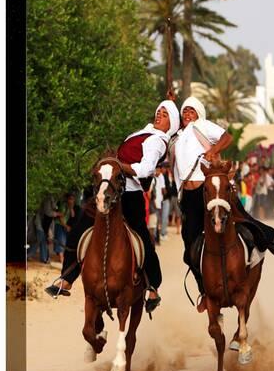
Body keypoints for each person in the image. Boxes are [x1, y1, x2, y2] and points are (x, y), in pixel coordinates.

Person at [46, 99, 180, 314]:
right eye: (159, 111)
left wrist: (118, 166)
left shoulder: (158, 142)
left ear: (171, 123)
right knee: (79, 227)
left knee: (142, 239)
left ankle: (152, 285)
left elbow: (145, 170)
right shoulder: (142, 134)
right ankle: (67, 278)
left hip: (131, 195)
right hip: (110, 189)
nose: (159, 115)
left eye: (165, 115)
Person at [171, 96, 274, 297]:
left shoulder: (202, 125)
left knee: (245, 220)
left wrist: (214, 150)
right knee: (189, 249)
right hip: (189, 195)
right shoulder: (178, 137)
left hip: (211, 188)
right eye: (184, 111)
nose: (187, 114)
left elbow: (227, 137)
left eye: (191, 111)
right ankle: (204, 291)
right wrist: (170, 102)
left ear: (199, 114)